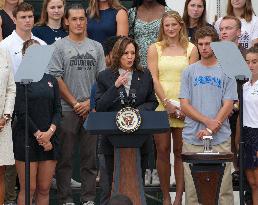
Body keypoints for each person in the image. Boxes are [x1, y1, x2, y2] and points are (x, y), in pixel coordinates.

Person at [48, 4, 105, 205]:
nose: (78, 23)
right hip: (66, 109)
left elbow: (102, 80)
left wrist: (89, 103)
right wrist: (75, 103)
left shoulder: (96, 47)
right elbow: (56, 77)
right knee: (65, 159)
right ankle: (65, 200)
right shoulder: (58, 47)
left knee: (90, 160)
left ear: (86, 21)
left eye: (82, 19)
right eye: (74, 19)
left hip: (91, 110)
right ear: (66, 21)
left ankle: (89, 199)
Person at [95, 36, 158, 204]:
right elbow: (100, 106)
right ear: (117, 54)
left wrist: (135, 113)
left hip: (140, 139)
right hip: (111, 140)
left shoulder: (144, 75)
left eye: (132, 53)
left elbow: (153, 102)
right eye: (125, 53)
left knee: (136, 184)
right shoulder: (105, 76)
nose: (130, 57)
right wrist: (115, 87)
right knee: (109, 188)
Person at [179, 26, 237, 205]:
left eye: (208, 44)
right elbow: (184, 105)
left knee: (223, 191)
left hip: (220, 139)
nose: (204, 48)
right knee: (193, 192)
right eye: (200, 44)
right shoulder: (189, 71)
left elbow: (228, 103)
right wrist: (207, 122)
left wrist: (213, 126)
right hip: (192, 138)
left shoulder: (227, 71)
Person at [147, 10, 199, 205]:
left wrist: (183, 107)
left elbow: (193, 79)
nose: (170, 28)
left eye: (173, 25)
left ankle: (179, 197)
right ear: (163, 27)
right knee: (162, 150)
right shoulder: (155, 48)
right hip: (162, 104)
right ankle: (166, 197)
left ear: (180, 26)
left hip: (185, 105)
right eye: (166, 25)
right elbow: (153, 77)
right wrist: (167, 103)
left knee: (179, 151)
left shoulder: (191, 48)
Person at [12, 39, 61, 205]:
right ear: (25, 56)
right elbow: (21, 111)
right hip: (26, 139)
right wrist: (39, 135)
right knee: (29, 189)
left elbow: (58, 110)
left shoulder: (51, 80)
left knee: (44, 188)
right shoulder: (20, 82)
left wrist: (49, 134)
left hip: (49, 140)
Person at [235, 43, 258, 205]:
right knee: (252, 183)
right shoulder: (244, 86)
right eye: (248, 61)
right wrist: (237, 139)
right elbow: (240, 114)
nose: (250, 65)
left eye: (255, 61)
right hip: (246, 134)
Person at [0, 2, 46, 74]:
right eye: (23, 17)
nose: (27, 20)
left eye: (30, 16)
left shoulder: (42, 44)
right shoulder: (4, 46)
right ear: (14, 20)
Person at [128, 0, 170, 69]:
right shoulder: (132, 13)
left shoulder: (167, 12)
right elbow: (128, 40)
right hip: (137, 65)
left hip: (161, 64)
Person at [0, 47, 16, 205]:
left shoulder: (4, 52)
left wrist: (6, 116)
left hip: (3, 125)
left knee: (1, 172)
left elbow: (11, 88)